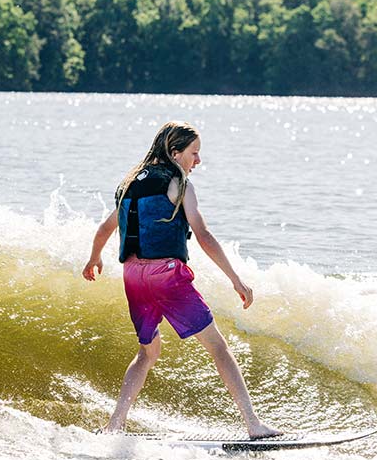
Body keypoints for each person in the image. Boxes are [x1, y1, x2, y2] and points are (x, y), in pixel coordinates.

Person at [81, 121, 281, 439]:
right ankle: (253, 425)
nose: (197, 161)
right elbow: (202, 234)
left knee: (147, 352)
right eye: (194, 153)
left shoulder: (129, 182)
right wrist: (236, 279)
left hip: (133, 277)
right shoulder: (180, 183)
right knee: (218, 346)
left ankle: (114, 425)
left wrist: (94, 258)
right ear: (175, 153)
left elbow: (106, 228)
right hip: (165, 276)